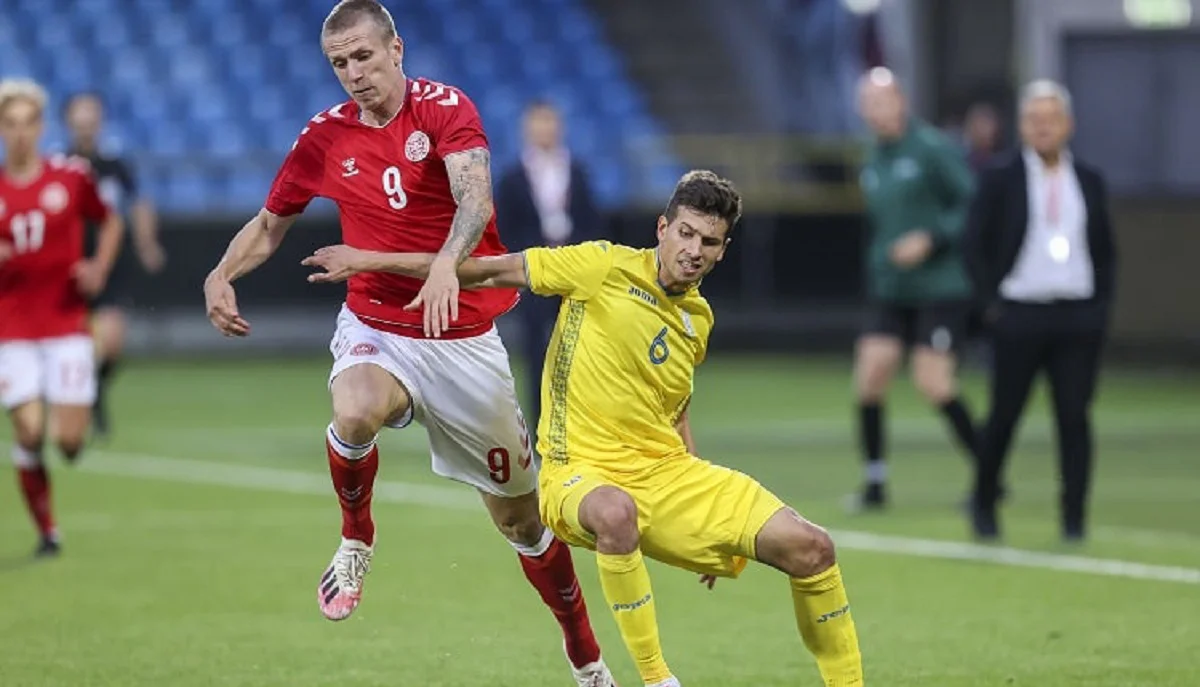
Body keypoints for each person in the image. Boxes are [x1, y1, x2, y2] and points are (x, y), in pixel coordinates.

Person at [303, 170, 865, 687]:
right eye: (686, 234)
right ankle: (656, 679)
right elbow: (486, 268)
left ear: (723, 250)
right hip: (578, 474)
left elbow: (675, 411)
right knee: (616, 513)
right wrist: (370, 259)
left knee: (812, 547)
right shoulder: (602, 266)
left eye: (709, 242)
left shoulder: (698, 320)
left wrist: (707, 524)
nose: (694, 251)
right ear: (662, 228)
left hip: (669, 474)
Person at [201, 2, 615, 684]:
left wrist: (449, 261)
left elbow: (475, 199)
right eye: (339, 63)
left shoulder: (446, 109)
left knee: (521, 521)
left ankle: (585, 655)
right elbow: (271, 223)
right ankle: (356, 538)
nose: (353, 73)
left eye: (364, 56)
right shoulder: (324, 136)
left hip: (462, 338)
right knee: (355, 411)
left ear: (396, 49)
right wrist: (221, 273)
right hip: (376, 324)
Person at [964, 80, 1117, 542]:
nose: (1043, 128)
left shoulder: (1088, 179)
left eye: (1051, 119)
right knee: (1004, 416)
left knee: (1074, 418)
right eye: (1034, 119)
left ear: (1068, 125)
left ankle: (1074, 518)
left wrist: (1099, 309)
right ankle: (984, 503)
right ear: (1022, 126)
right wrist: (990, 306)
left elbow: (1105, 251)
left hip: (1076, 316)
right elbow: (974, 243)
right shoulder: (1001, 177)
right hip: (1020, 314)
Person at [0, 79, 123, 557]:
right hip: (11, 328)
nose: (20, 132)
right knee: (29, 432)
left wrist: (99, 267)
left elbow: (110, 220)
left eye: (28, 122)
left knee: (68, 443)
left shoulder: (70, 177)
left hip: (67, 323)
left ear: (41, 126)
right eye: (11, 123)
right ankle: (48, 531)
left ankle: (75, 414)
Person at [852, 67, 980, 510]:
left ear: (901, 102)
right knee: (870, 376)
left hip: (939, 286)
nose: (876, 111)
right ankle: (875, 483)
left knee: (933, 381)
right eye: (868, 104)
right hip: (891, 288)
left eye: (882, 101)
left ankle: (988, 472)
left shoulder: (931, 149)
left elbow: (972, 204)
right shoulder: (872, 157)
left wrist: (932, 238)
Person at [496, 100, 602, 447]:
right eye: (538, 123)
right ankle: (542, 431)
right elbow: (505, 228)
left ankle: (580, 428)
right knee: (536, 353)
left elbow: (592, 222)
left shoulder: (579, 172)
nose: (545, 130)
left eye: (550, 122)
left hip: (574, 274)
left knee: (579, 351)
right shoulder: (512, 177)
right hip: (533, 274)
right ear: (527, 129)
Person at [63, 91, 166, 438]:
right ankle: (74, 401)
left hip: (110, 264)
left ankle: (94, 391)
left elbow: (138, 203)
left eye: (92, 114)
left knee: (112, 343)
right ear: (69, 121)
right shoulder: (59, 164)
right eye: (80, 115)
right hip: (68, 265)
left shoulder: (115, 164)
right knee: (70, 342)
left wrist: (147, 243)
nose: (86, 122)